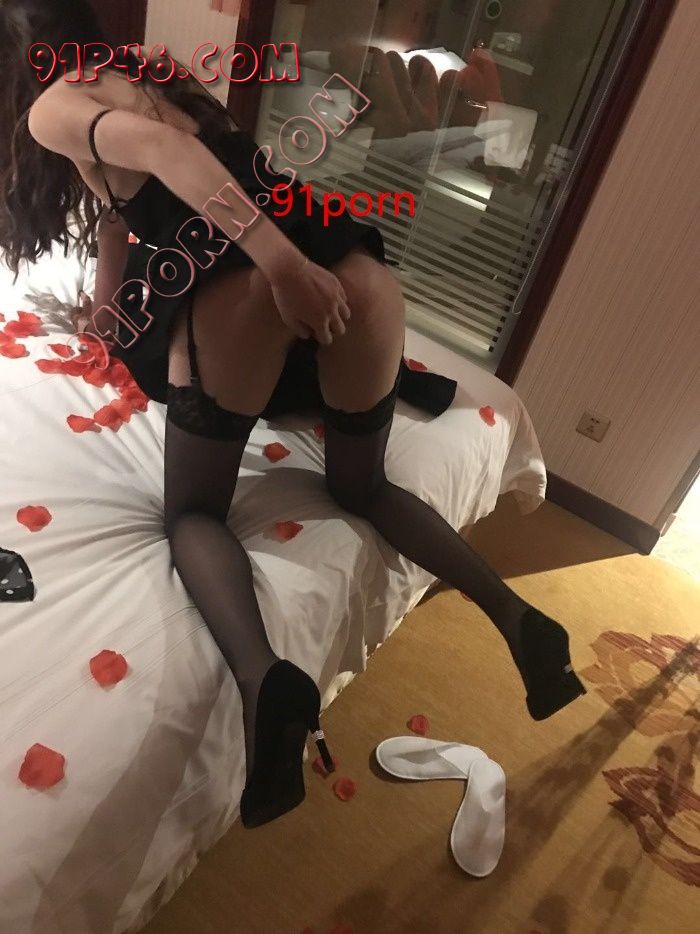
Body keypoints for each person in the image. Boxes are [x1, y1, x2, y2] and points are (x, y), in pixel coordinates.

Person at [1, 0, 586, 829]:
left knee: (194, 515)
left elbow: (166, 158)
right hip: (344, 258)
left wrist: (279, 269)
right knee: (364, 486)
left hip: (252, 278)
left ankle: (263, 680)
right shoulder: (149, 72)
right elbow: (124, 211)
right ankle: (519, 620)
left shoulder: (52, 106)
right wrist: (107, 305)